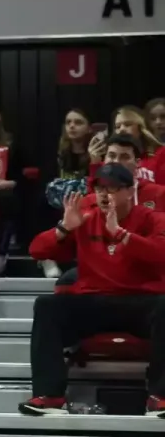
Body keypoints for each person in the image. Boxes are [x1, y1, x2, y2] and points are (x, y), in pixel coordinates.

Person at [20, 163, 165, 416]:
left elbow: (161, 253)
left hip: (140, 301)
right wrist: (64, 229)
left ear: (130, 191)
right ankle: (50, 396)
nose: (104, 194)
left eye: (112, 188)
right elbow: (37, 250)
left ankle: (159, 397)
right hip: (93, 301)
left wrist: (122, 235)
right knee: (47, 306)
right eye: (99, 188)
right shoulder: (84, 219)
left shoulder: (153, 219)